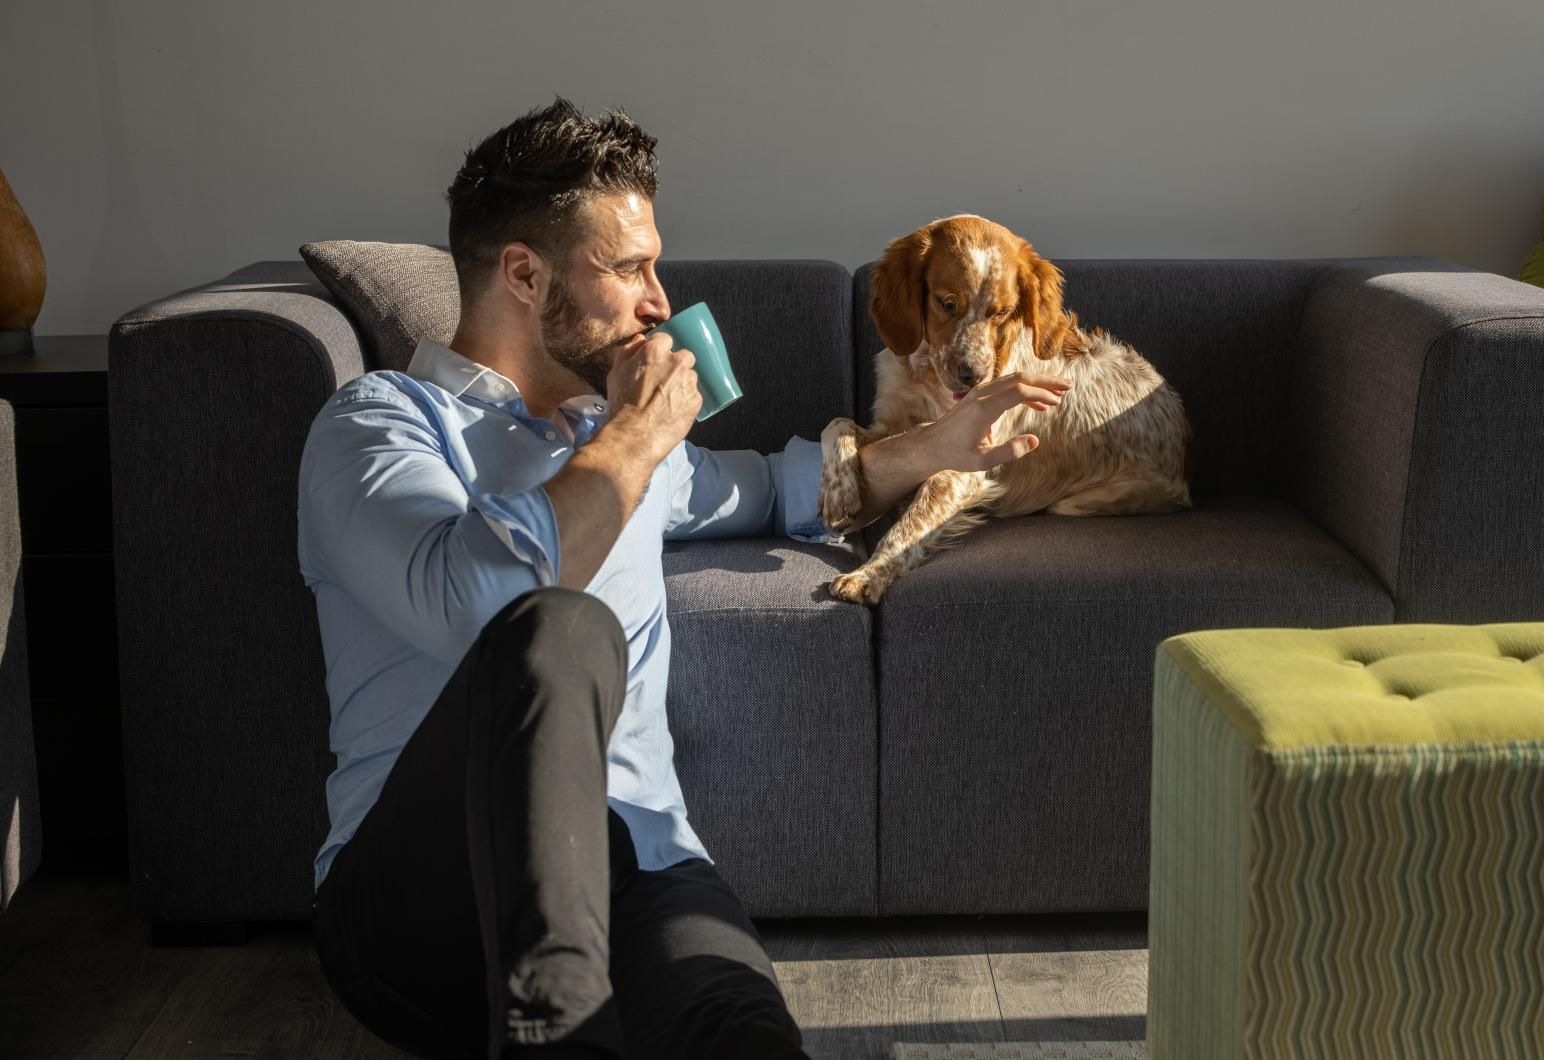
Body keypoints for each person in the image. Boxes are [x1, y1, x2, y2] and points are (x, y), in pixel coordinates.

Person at [299, 97, 1070, 1060]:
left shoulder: (622, 446)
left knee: (743, 1033)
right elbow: (476, 607)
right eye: (628, 269)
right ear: (526, 275)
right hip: (422, 900)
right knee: (557, 631)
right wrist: (636, 437)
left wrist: (936, 444)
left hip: (648, 866)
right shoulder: (379, 425)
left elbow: (788, 488)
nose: (660, 300)